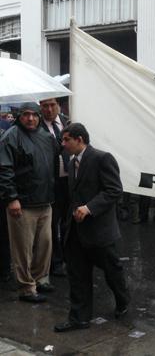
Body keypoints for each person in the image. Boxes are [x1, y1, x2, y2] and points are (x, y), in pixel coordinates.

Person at [54, 123, 130, 332]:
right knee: (77, 275)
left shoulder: (102, 158)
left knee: (112, 272)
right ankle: (79, 317)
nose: (63, 144)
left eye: (66, 139)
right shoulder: (70, 163)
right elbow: (73, 195)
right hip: (76, 231)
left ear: (80, 140)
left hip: (100, 232)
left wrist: (89, 208)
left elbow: (114, 190)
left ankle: (123, 300)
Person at [0, 102, 57, 303]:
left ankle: (40, 279)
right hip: (22, 204)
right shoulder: (11, 136)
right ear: (19, 116)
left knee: (45, 244)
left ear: (39, 117)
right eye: (26, 114)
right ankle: (26, 288)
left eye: (34, 114)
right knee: (22, 249)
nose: (30, 118)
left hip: (45, 201)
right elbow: (4, 170)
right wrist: (11, 198)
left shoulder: (45, 136)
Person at [40, 98, 70, 276]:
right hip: (50, 183)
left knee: (69, 223)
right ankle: (55, 262)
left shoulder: (68, 122)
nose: (50, 109)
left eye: (52, 105)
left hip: (69, 182)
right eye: (45, 106)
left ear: (58, 105)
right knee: (51, 225)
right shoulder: (37, 127)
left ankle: (69, 258)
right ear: (40, 108)